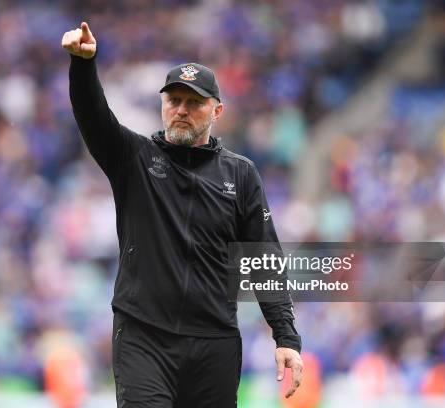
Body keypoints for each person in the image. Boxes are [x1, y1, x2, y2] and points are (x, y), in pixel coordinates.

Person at [62, 22, 303, 407]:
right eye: (173, 101)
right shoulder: (134, 159)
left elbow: (265, 260)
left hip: (214, 343)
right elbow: (92, 116)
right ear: (162, 105)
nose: (181, 110)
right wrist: (82, 64)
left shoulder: (241, 175)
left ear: (217, 110)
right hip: (144, 337)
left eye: (194, 103)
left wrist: (285, 336)